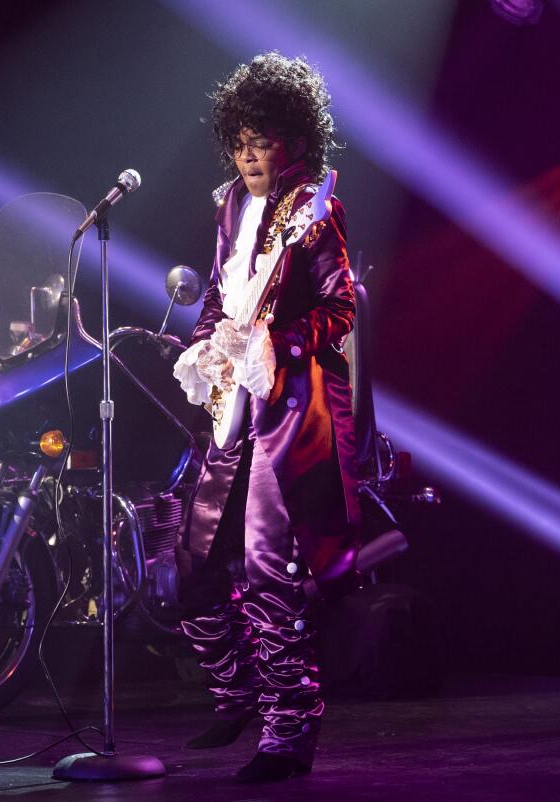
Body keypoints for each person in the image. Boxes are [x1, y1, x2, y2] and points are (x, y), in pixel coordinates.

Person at [172, 52, 360, 783]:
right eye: (239, 140)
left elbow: (341, 308)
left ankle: (290, 727)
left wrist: (277, 341)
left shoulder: (316, 209)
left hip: (288, 407)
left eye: (263, 139)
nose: (249, 154)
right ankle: (238, 695)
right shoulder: (228, 205)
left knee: (266, 564)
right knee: (187, 563)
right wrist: (205, 345)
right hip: (232, 403)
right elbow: (221, 296)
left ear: (297, 141)